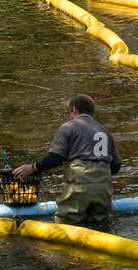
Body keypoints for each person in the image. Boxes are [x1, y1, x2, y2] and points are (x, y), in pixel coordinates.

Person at [14, 94, 121, 227]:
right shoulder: (105, 131)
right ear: (92, 111)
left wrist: (33, 167)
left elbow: (55, 158)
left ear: (74, 109)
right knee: (101, 227)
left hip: (79, 187)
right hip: (103, 189)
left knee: (66, 226)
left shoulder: (68, 128)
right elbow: (116, 166)